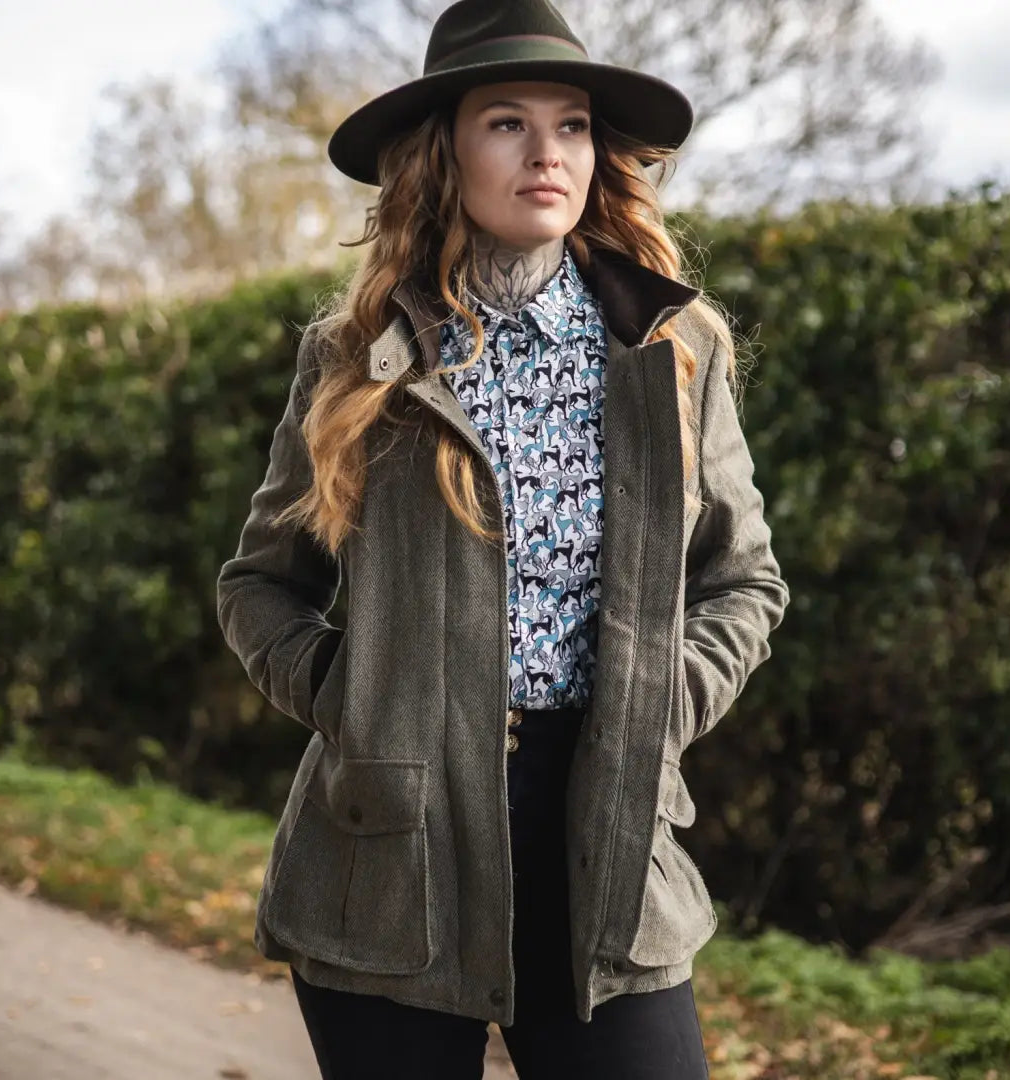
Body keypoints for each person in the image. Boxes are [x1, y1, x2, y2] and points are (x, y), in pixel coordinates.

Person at [215, 0, 790, 1076]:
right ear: (444, 153)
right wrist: (358, 696)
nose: (547, 153)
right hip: (395, 848)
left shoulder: (673, 347)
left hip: (608, 832)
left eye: (571, 125)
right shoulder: (355, 357)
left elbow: (743, 580)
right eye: (506, 123)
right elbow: (260, 584)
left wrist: (664, 701)